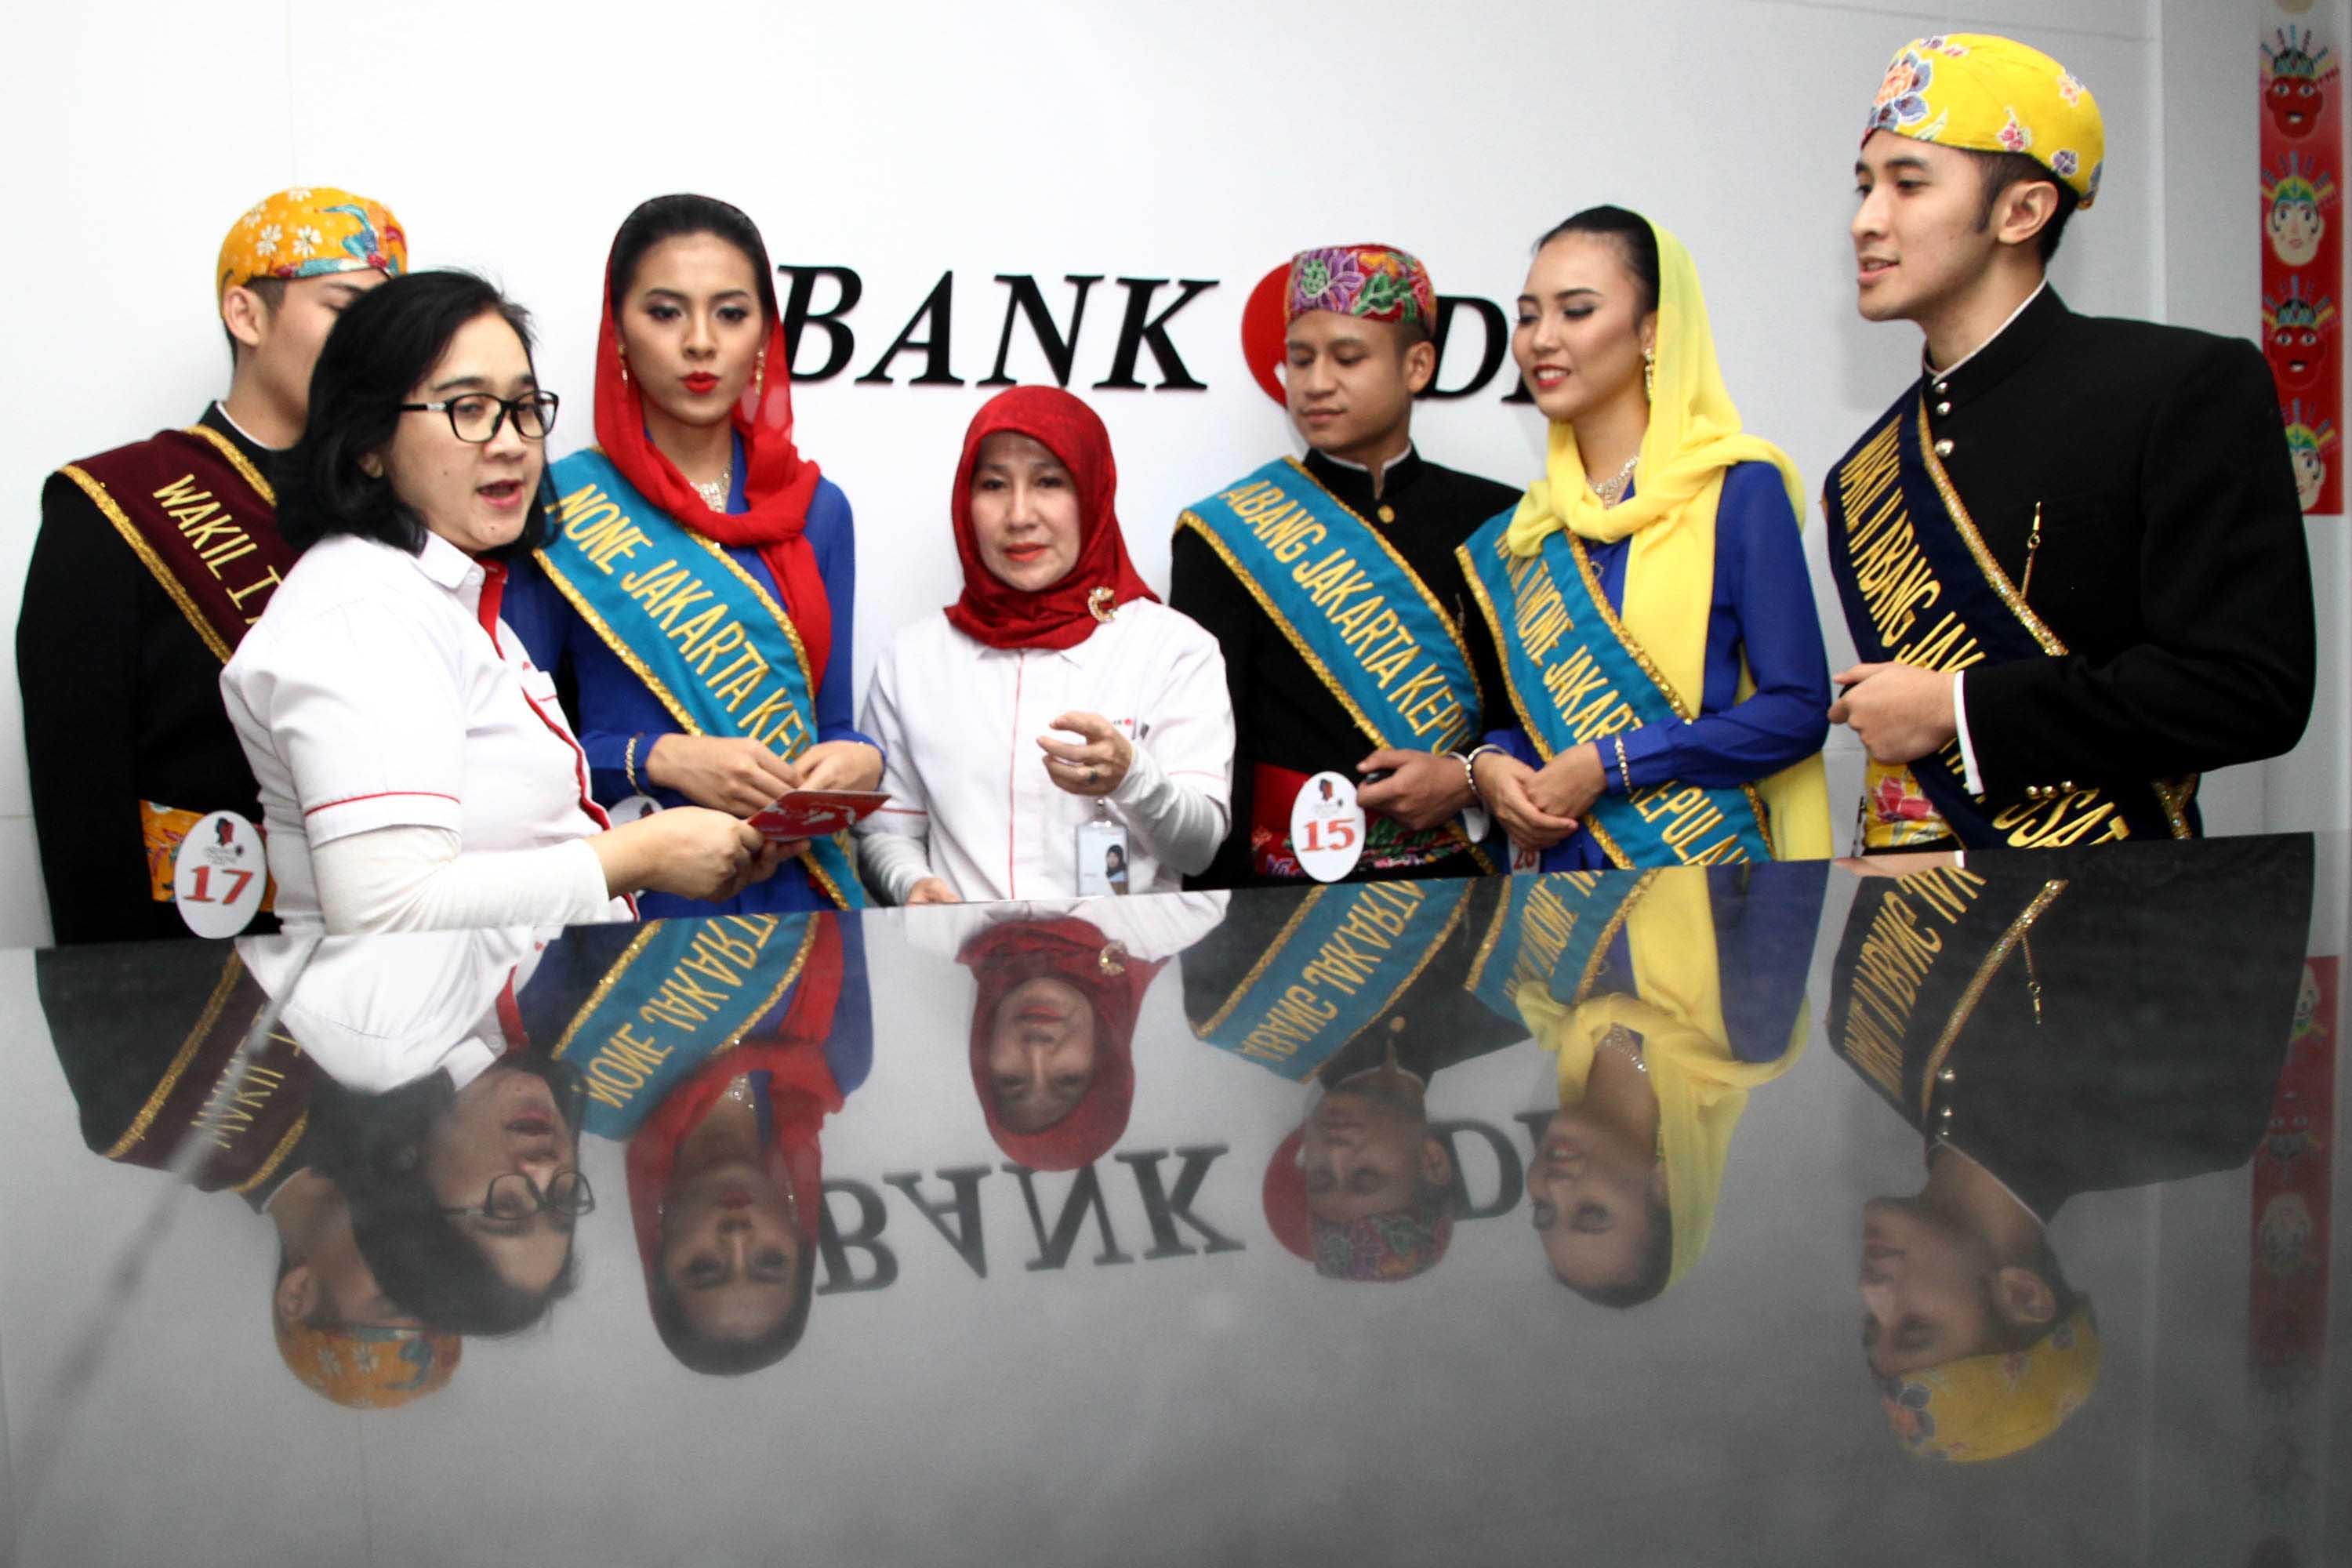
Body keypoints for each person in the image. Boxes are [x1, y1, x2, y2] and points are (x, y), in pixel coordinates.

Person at [1827, 34, 2314, 851]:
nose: (1866, 221)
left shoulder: (2180, 385)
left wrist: (1959, 708)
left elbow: (2250, 689)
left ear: (2022, 212)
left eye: (1908, 185)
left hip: (2123, 911)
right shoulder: (1864, 471)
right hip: (1926, 909)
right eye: (1865, 186)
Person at [220, 270, 779, 934]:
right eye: (468, 409)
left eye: (523, 408)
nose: (512, 441)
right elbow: (387, 914)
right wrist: (640, 857)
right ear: (369, 443)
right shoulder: (362, 612)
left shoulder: (448, 592)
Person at [1828, 837, 2312, 1459]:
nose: (1871, 1291)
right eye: (1915, 1326)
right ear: (2023, 1295)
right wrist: (1972, 841)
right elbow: (2253, 839)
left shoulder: (1863, 1042)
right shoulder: (2190, 1120)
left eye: (1873, 1325)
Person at [20, 187, 405, 945]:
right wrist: (114, 997)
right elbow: (80, 805)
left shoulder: (403, 507)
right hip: (191, 954)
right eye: (344, 310)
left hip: (389, 949)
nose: (371, 349)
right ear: (246, 315)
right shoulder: (113, 503)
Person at [506, 194, 880, 914]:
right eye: (666, 312)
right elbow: (519, 753)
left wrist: (861, 759)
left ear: (765, 335)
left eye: (731, 314)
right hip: (641, 901)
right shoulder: (558, 508)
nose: (701, 342)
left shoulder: (818, 510)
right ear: (618, 332)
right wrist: (661, 757)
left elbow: (830, 722)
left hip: (800, 894)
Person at [1460, 209, 1834, 872]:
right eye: (1528, 316)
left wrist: (1613, 763)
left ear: (1652, 331)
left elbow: (1798, 712)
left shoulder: (1737, 491)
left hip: (1707, 882)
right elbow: (1536, 724)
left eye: (1577, 311)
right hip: (1564, 894)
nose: (1542, 339)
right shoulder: (1524, 530)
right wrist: (1490, 766)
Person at [1171, 244, 1519, 887]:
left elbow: (1530, 718)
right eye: (1300, 359)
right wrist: (1217, 924)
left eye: (1347, 358)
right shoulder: (1221, 535)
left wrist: (1466, 778)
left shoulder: (1498, 520)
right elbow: (1215, 758)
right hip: (1284, 900)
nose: (1315, 383)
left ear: (1417, 366)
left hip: (1465, 887)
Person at [35, 934, 462, 1409]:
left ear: (299, 1292)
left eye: (395, 1297)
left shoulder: (143, 1121)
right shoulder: (441, 1110)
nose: (419, 1265)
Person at [857, 386, 1232, 903]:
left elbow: (1198, 850)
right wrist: (911, 883)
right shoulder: (914, 659)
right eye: (993, 484)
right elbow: (887, 832)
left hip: (1126, 954)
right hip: (963, 952)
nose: (1018, 516)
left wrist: (1132, 778)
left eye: (1048, 481)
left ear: (1093, 493)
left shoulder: (1173, 650)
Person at [1507, 862, 1822, 1305]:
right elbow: (1798, 846)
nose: (1554, 1188)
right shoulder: (1745, 1034)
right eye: (1591, 1212)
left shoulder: (1540, 1003)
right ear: (1667, 1185)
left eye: (1543, 1211)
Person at [1184, 877, 1520, 1280]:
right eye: (1365, 1176)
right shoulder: (1511, 1008)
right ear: (1432, 1160)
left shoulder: (1229, 1006)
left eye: (1321, 1177)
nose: (1335, 1152)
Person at [899, 892, 1223, 1172]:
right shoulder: (1184, 913)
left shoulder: (923, 919)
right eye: (1068, 1079)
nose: (1037, 1050)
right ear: (1107, 1059)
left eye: (1011, 1080)